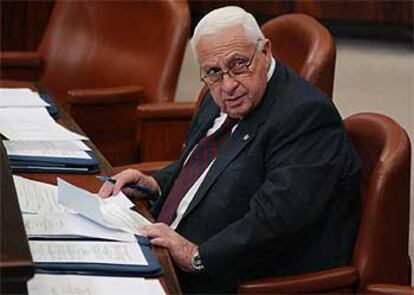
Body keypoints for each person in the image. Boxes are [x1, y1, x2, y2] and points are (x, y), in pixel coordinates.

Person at [99, 6, 361, 294]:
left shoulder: (306, 117)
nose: (229, 85)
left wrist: (195, 256)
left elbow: (275, 222)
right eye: (213, 72)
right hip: (162, 248)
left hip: (227, 277)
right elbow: (206, 164)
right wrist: (155, 185)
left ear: (265, 52)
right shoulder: (222, 93)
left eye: (239, 64)